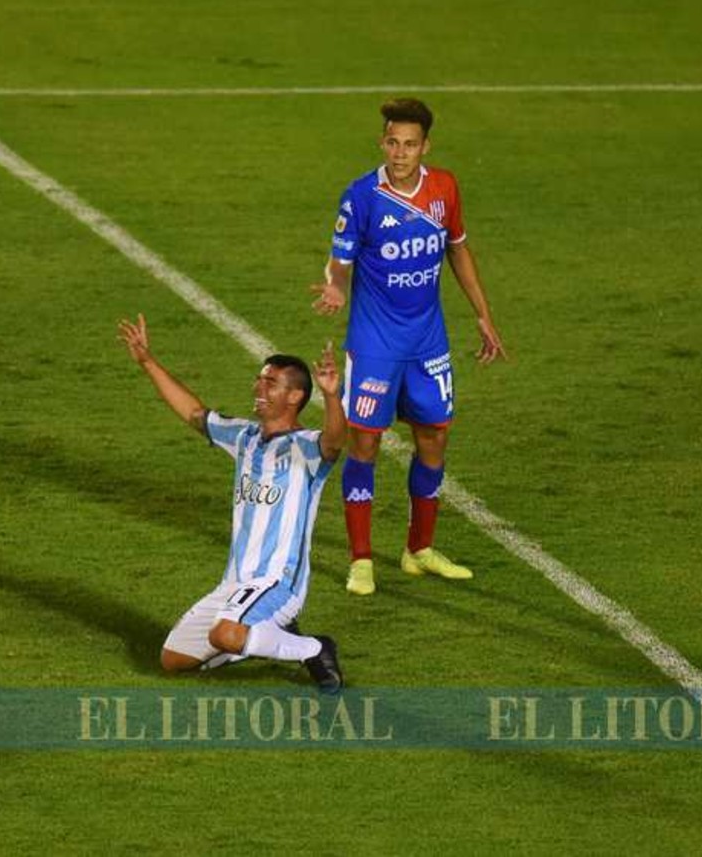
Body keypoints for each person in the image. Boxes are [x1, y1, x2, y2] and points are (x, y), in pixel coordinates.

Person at [309, 97, 507, 597]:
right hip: (375, 344)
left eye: (410, 144)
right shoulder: (362, 197)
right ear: (383, 143)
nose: (400, 153)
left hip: (427, 340)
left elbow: (457, 249)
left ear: (425, 147)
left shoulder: (444, 188)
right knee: (366, 443)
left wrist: (482, 313)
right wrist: (334, 284)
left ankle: (419, 549)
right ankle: (360, 559)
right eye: (393, 143)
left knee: (434, 437)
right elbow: (339, 260)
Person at [118, 314, 347, 692]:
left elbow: (337, 441)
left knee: (226, 635)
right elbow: (195, 414)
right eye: (259, 378)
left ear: (294, 396)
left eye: (270, 382)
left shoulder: (306, 448)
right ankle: (265, 633)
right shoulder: (244, 436)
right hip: (234, 584)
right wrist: (147, 361)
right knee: (172, 660)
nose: (258, 385)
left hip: (277, 583)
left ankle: (313, 648)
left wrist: (332, 396)